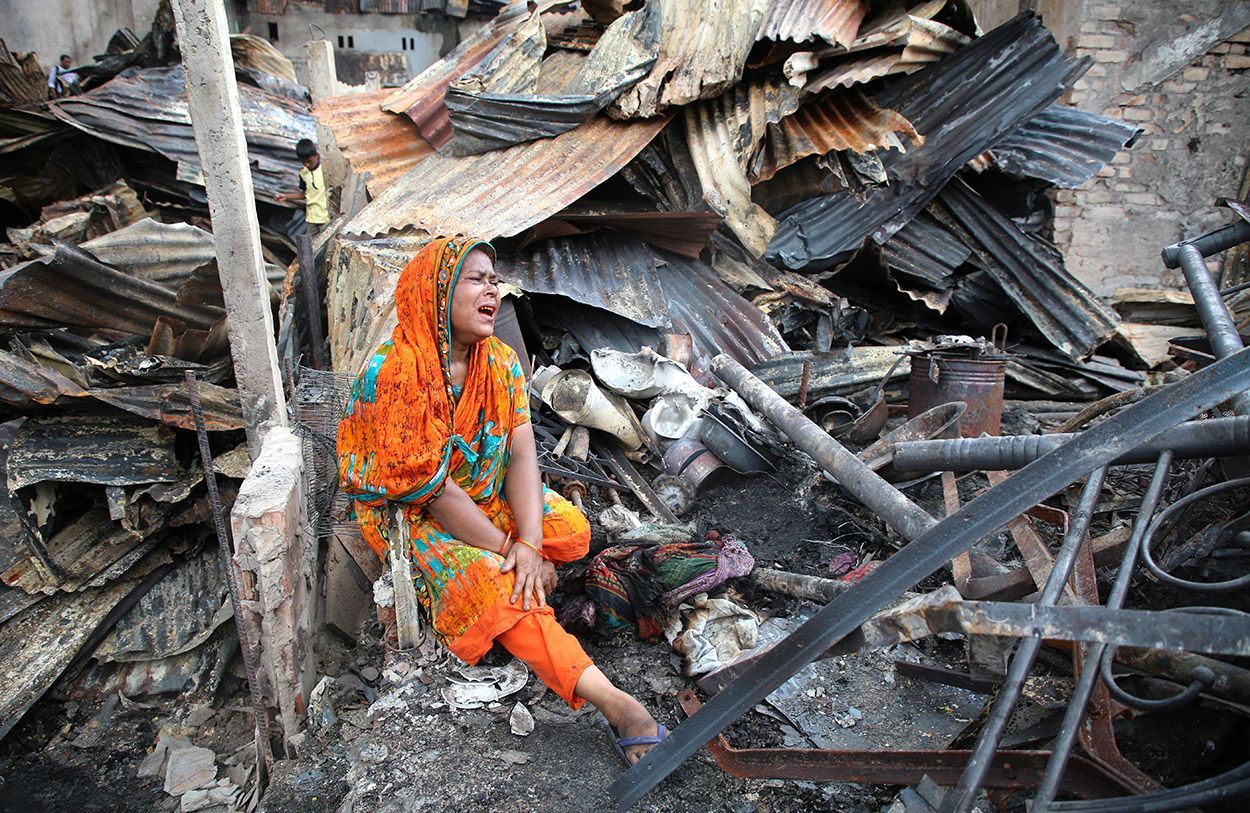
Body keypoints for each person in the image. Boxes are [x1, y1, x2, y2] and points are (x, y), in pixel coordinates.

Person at [336, 237, 666, 764]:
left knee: (572, 532)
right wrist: (513, 551)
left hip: (481, 495)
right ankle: (619, 704)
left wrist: (530, 541)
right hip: (414, 514)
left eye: (494, 278)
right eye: (476, 278)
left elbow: (519, 455)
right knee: (496, 585)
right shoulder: (397, 373)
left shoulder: (503, 362)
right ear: (437, 294)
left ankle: (521, 576)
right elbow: (437, 494)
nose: (492, 288)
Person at [274, 138, 329, 239]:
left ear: (316, 156)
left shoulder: (326, 170)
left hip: (327, 217)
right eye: (303, 162)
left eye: (309, 161)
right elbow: (306, 193)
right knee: (312, 248)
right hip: (312, 218)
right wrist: (286, 196)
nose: (307, 165)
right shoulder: (303, 173)